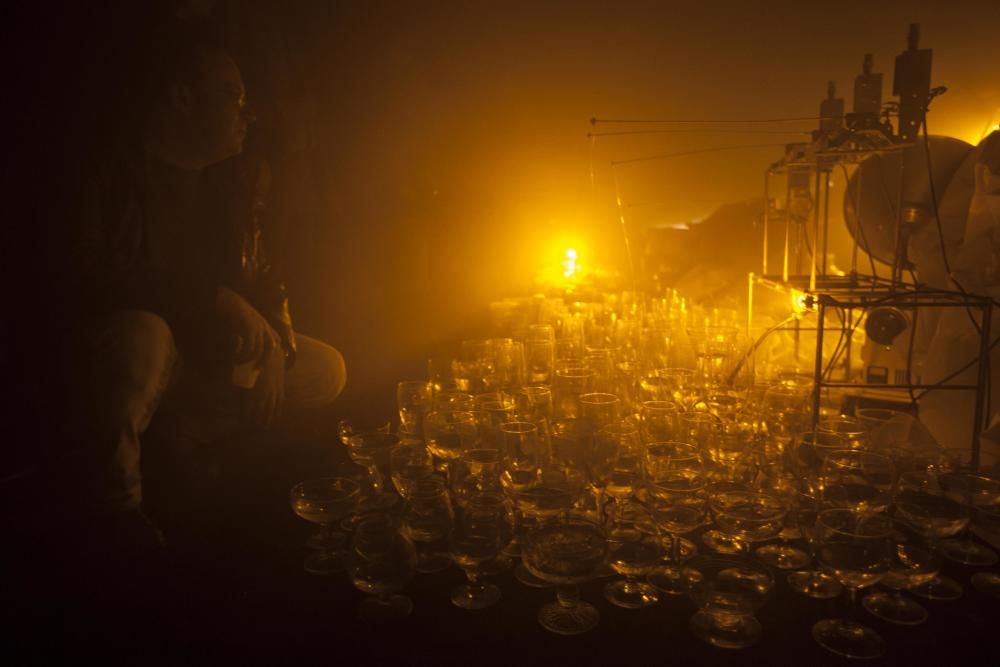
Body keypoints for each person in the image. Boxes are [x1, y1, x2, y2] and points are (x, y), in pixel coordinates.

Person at [19, 25, 346, 559]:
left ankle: (184, 433)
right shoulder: (103, 170)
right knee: (141, 336)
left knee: (324, 368)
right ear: (181, 98)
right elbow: (95, 277)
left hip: (204, 358)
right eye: (235, 97)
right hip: (136, 359)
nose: (249, 114)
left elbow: (264, 277)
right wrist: (216, 300)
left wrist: (278, 350)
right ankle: (113, 510)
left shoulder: (230, 181)